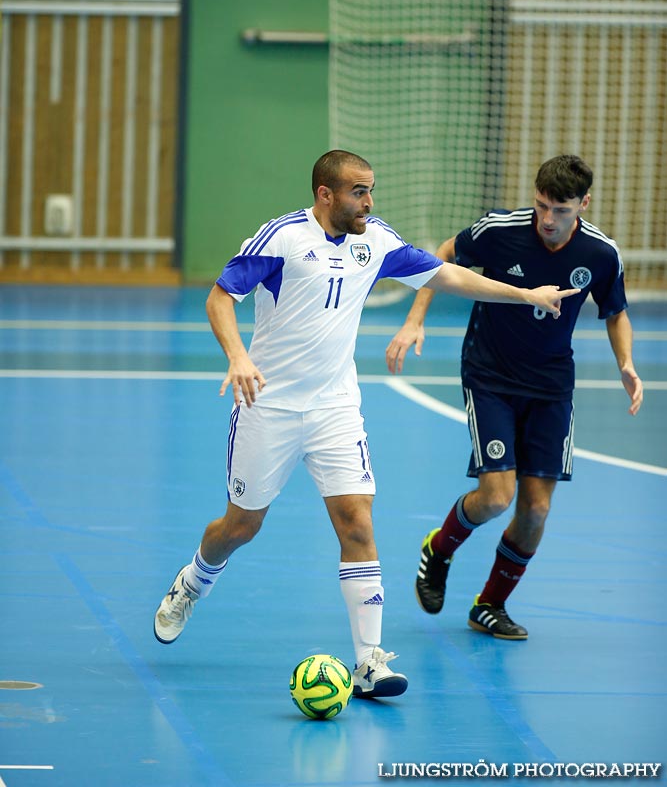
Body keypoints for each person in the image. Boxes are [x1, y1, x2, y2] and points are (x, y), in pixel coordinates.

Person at [153, 150, 579, 695]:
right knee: (241, 526)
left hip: (335, 406)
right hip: (270, 405)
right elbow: (219, 297)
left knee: (356, 521)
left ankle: (369, 661)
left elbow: (446, 274)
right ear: (325, 194)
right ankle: (194, 580)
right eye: (359, 191)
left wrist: (523, 294)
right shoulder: (282, 239)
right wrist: (238, 355)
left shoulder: (374, 240)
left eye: (371, 190)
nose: (369, 201)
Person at [386, 154, 643, 641]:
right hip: (490, 374)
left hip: (550, 386)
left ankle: (490, 605)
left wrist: (624, 363)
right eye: (542, 205)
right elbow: (441, 254)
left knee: (536, 510)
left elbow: (616, 311)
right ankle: (439, 549)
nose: (548, 219)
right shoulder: (499, 231)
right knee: (496, 497)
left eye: (561, 210)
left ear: (583, 204)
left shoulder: (600, 253)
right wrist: (415, 318)